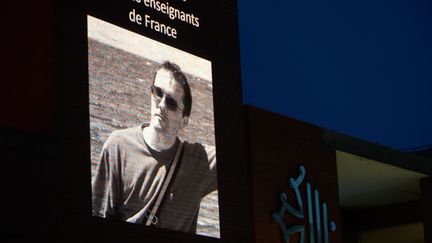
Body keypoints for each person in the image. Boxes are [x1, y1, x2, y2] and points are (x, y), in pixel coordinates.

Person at [92, 61, 217, 234]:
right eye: (158, 93)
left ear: (184, 121)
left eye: (172, 103)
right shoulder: (118, 146)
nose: (161, 105)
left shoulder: (200, 161)